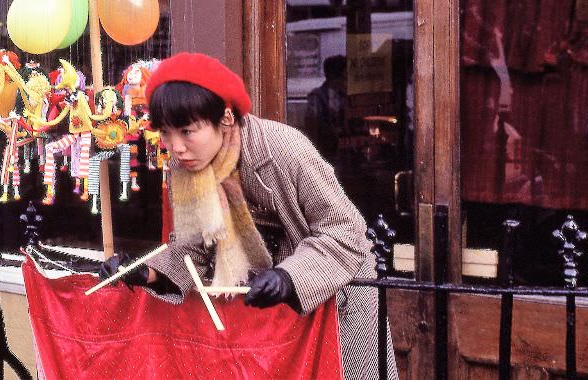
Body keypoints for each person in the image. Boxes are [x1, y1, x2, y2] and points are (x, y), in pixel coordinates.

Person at [100, 52, 397, 379]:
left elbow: (346, 232)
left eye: (186, 131)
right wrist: (145, 272)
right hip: (260, 311)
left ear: (225, 119)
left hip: (333, 296)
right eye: (167, 134)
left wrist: (288, 277)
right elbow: (193, 246)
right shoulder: (184, 166)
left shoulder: (284, 149)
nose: (176, 147)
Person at [304, 54, 347, 161]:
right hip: (325, 153)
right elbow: (312, 128)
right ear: (335, 78)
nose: (347, 80)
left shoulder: (345, 96)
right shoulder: (317, 97)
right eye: (345, 77)